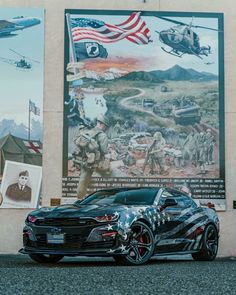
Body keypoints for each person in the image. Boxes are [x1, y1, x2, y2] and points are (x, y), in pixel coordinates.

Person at [74, 114, 110, 199]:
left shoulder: (88, 132)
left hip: (85, 160)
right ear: (102, 124)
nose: (105, 128)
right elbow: (105, 151)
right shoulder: (102, 135)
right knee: (102, 178)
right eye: (105, 126)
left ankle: (80, 198)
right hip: (96, 162)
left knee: (83, 180)